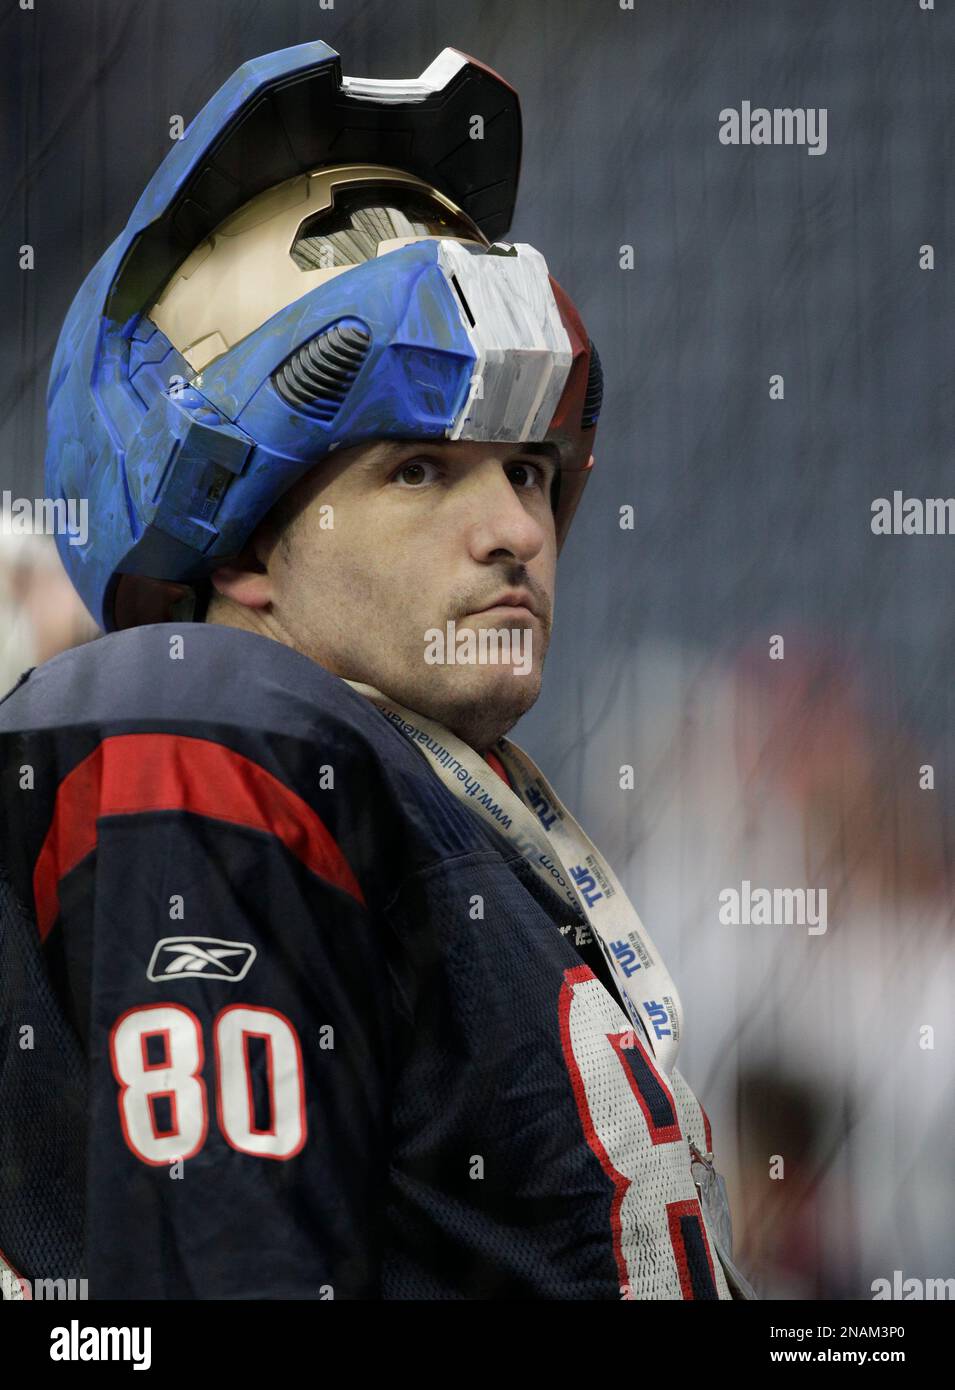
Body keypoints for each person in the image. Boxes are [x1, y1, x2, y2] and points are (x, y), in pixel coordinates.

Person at [0, 40, 752, 1300]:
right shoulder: (207, 723)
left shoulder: (439, 804)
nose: (518, 527)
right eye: (420, 470)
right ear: (240, 544)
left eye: (525, 467)